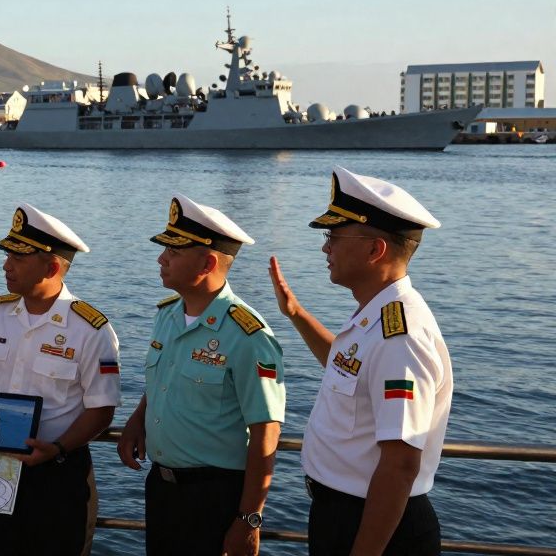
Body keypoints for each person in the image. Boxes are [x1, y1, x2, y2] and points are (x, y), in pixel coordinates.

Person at [269, 167, 453, 556]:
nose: (326, 249)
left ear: (375, 250)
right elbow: (346, 368)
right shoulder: (377, 317)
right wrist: (296, 314)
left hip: (374, 526)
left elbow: (401, 464)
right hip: (343, 515)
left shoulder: (400, 336)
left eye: (334, 237)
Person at [0, 203, 120, 556]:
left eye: (18, 258)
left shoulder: (91, 329)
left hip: (58, 472)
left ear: (52, 267)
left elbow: (102, 410)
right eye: (7, 256)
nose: (6, 265)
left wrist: (57, 449)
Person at [116, 194, 285, 556]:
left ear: (208, 263)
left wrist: (248, 519)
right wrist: (138, 417)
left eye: (173, 251)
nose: (161, 259)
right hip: (161, 488)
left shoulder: (248, 336)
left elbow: (266, 431)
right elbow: (165, 378)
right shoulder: (167, 315)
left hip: (215, 498)